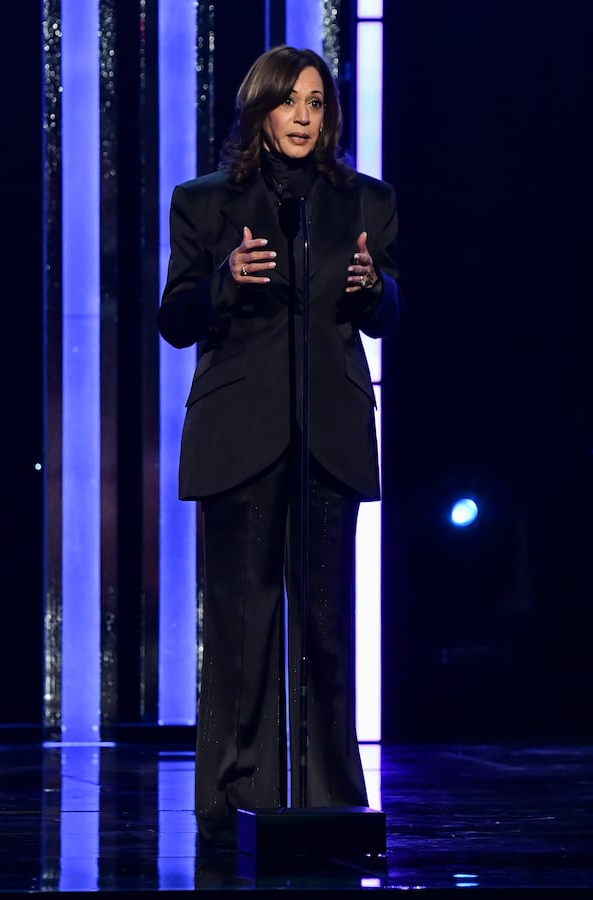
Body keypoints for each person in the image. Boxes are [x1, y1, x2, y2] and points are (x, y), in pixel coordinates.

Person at [158, 45, 402, 844]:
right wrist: (226, 280)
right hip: (241, 435)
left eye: (317, 102)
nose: (304, 115)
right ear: (259, 109)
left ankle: (331, 799)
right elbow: (175, 318)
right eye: (289, 101)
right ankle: (230, 803)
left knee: (328, 626)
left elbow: (384, 314)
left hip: (328, 432)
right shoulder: (204, 202)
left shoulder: (367, 200)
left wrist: (376, 289)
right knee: (242, 625)